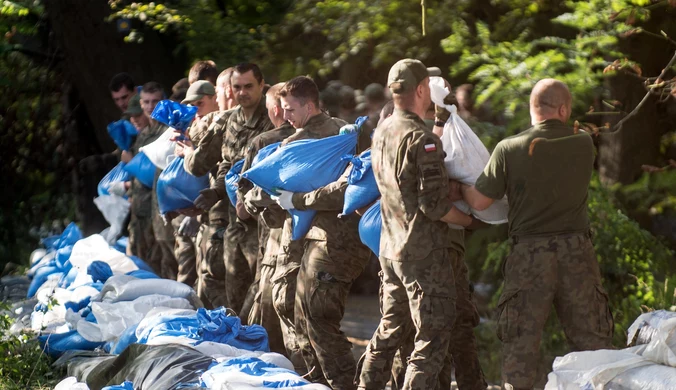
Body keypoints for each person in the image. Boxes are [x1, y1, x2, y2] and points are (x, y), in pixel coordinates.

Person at [458, 78, 613, 390]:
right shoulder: (584, 143)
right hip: (577, 253)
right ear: (564, 109)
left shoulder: (509, 149)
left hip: (529, 256)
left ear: (532, 109)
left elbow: (479, 201)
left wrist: (460, 182)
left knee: (520, 346)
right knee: (594, 343)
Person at [357, 59, 474, 390]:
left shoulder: (381, 132)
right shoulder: (422, 140)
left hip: (389, 250)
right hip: (422, 254)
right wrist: (471, 221)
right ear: (422, 89)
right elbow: (434, 206)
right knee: (433, 336)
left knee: (390, 328)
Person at [271, 76, 367, 387]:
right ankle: (319, 384)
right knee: (304, 321)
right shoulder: (298, 139)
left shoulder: (342, 136)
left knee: (318, 319)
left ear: (310, 106)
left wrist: (296, 198)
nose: (286, 116)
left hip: (335, 241)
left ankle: (342, 385)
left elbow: (347, 189)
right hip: (314, 242)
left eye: (290, 109)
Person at [194, 63, 273, 318]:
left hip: (264, 223)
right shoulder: (231, 119)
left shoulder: (274, 117)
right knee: (234, 294)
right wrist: (216, 191)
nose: (242, 93)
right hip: (235, 223)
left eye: (248, 86)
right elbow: (227, 162)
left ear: (261, 85)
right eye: (236, 87)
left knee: (262, 295)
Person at [236, 82, 295, 357]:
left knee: (263, 311)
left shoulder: (263, 142)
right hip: (312, 237)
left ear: (274, 110)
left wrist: (247, 203)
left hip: (272, 240)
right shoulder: (321, 136)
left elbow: (244, 198)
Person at [179, 69, 238, 308]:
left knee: (215, 284)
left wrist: (188, 150)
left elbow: (199, 164)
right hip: (213, 214)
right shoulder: (221, 120)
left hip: (225, 216)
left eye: (199, 103)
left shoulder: (222, 121)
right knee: (208, 279)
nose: (195, 109)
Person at [137, 81, 177, 279]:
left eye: (155, 101)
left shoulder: (170, 129)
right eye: (146, 102)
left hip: (169, 202)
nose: (151, 106)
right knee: (156, 260)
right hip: (148, 206)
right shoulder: (144, 134)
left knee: (171, 258)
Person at [120, 94, 155, 262]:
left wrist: (131, 161)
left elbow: (150, 175)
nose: (134, 119)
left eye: (137, 115)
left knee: (153, 263)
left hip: (151, 213)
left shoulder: (154, 137)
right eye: (131, 116)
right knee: (135, 259)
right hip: (138, 212)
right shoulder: (139, 137)